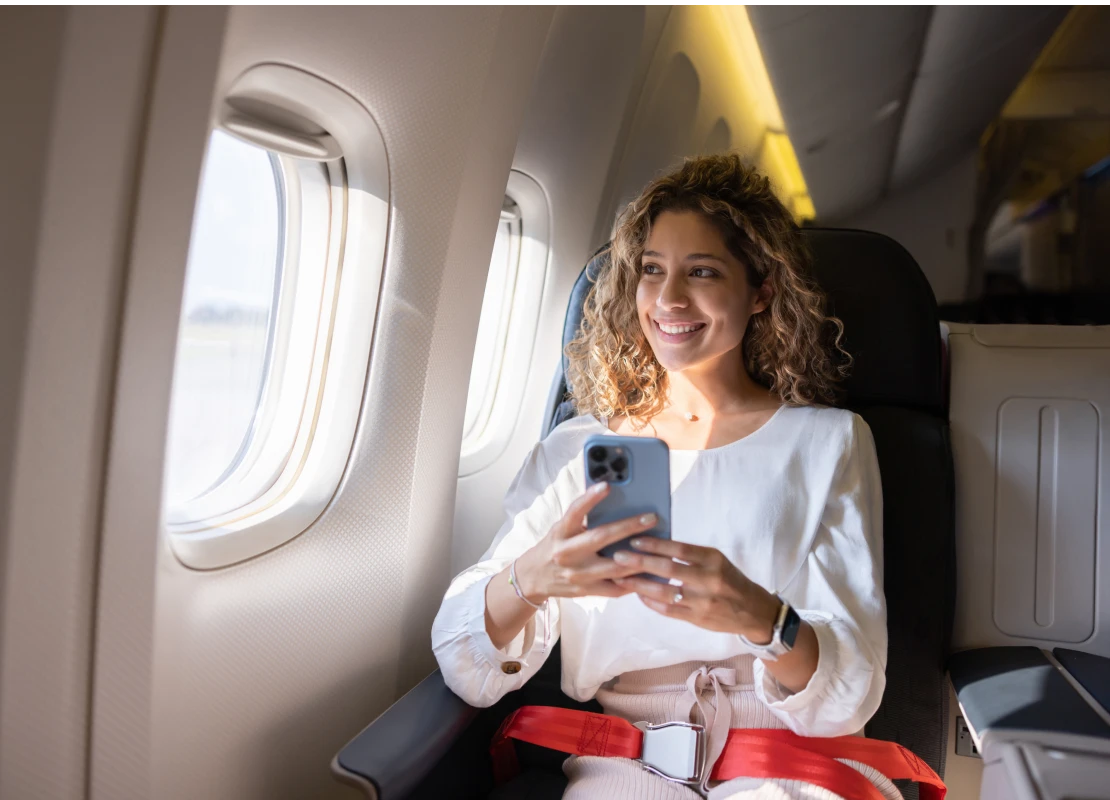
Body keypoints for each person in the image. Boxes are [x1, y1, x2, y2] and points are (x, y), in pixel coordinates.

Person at [432, 153, 894, 799]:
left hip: (789, 754)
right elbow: (468, 668)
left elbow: (849, 694)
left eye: (702, 272)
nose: (670, 299)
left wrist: (761, 617)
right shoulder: (580, 449)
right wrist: (534, 577)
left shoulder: (827, 442)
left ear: (760, 291)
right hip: (627, 760)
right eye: (653, 271)